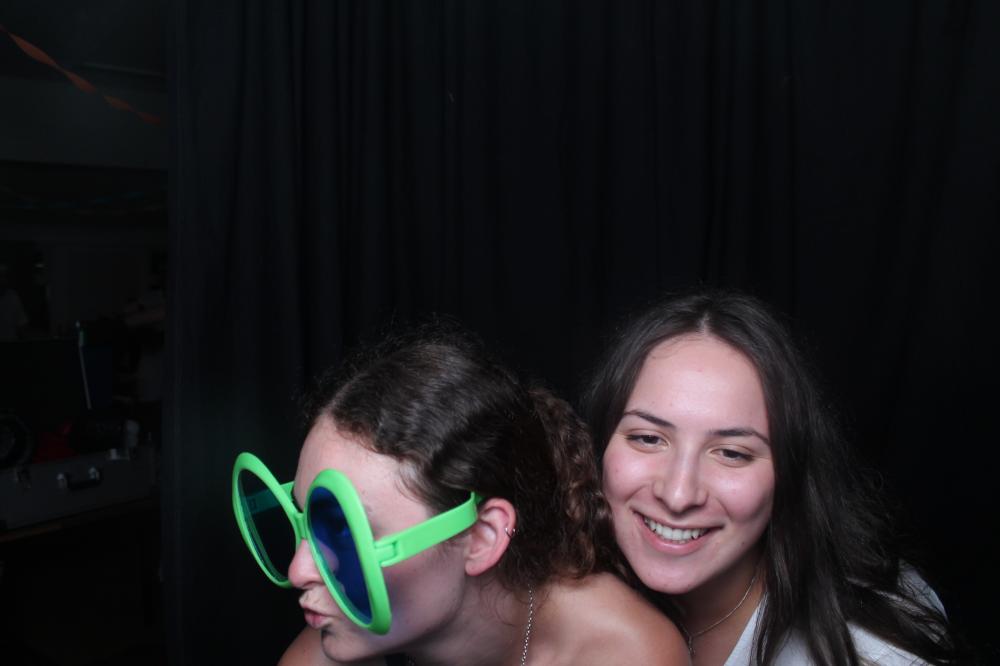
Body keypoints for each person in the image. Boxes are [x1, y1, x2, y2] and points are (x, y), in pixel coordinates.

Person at [232, 323, 689, 666]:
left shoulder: (625, 655)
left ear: (482, 537)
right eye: (307, 521)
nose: (298, 571)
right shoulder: (339, 636)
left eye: (349, 532)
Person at [582, 288, 960, 665]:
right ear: (598, 445)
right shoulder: (560, 605)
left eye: (732, 453)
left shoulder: (876, 654)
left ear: (789, 475)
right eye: (648, 439)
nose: (678, 495)